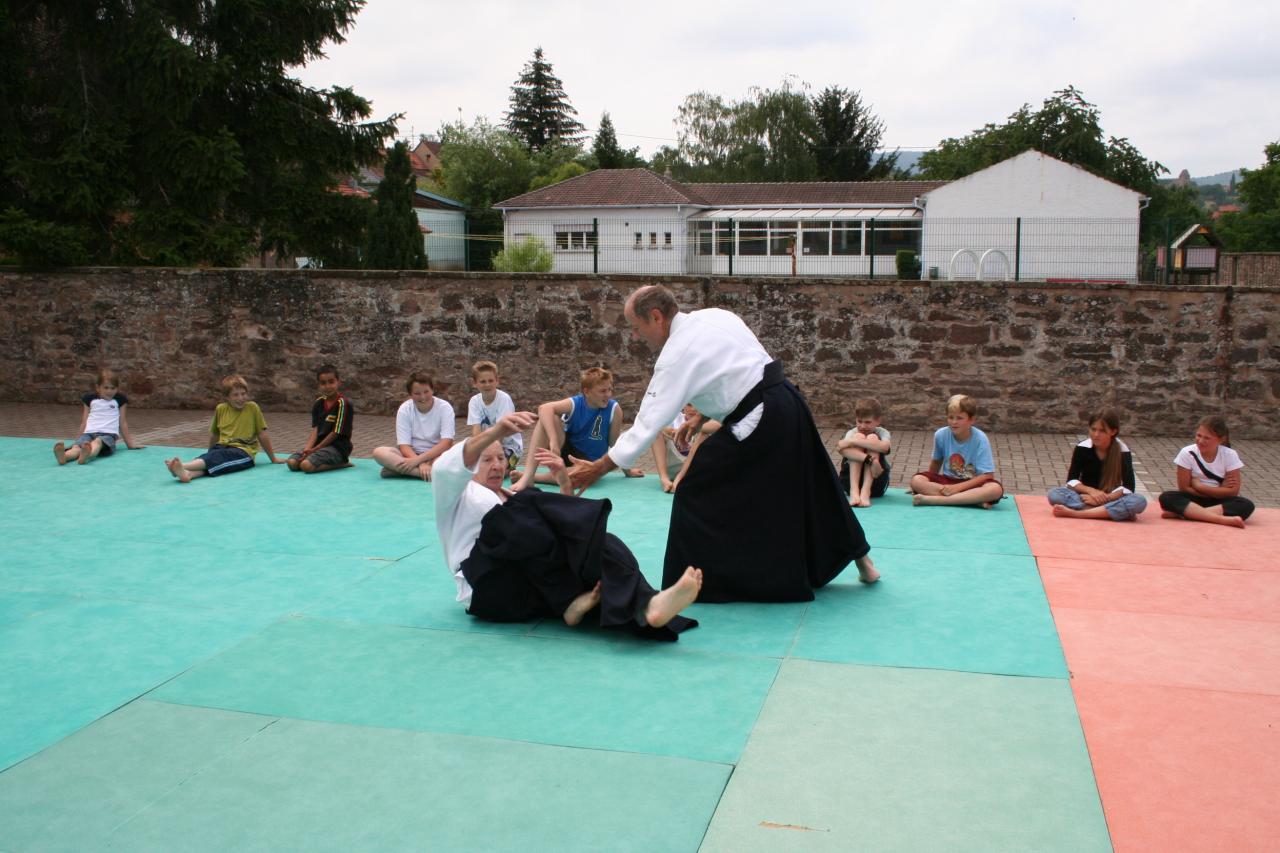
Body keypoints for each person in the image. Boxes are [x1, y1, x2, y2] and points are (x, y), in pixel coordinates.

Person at [567, 285, 879, 603]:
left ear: (656, 317)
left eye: (636, 327)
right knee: (815, 481)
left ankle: (693, 585)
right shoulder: (714, 316)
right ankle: (863, 561)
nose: (636, 336)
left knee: (695, 486)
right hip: (788, 401)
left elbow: (648, 423)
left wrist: (599, 467)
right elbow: (737, 370)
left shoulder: (675, 355)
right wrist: (700, 417)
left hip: (760, 419)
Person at [432, 410, 702, 641]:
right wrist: (497, 431)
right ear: (469, 465)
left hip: (525, 588)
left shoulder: (508, 497)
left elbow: (566, 530)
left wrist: (562, 480)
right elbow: (444, 469)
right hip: (486, 586)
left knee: (603, 544)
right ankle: (567, 600)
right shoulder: (457, 494)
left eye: (501, 458)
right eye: (486, 459)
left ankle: (647, 606)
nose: (496, 465)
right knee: (523, 508)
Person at [511, 366, 643, 491]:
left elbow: (615, 444)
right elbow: (544, 408)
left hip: (589, 462)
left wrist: (628, 470)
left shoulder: (614, 409)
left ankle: (533, 478)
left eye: (610, 389)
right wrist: (553, 441)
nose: (608, 394)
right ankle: (528, 475)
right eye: (603, 391)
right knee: (547, 419)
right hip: (566, 451)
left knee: (580, 476)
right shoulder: (576, 403)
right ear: (587, 392)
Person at [165, 374, 285, 482]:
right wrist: (209, 452)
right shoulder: (221, 409)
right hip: (221, 447)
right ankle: (189, 474)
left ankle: (182, 466)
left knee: (218, 458)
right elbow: (215, 435)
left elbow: (262, 434)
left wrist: (273, 458)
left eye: (243, 394)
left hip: (243, 452)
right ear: (227, 397)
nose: (240, 398)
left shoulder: (252, 408)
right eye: (235, 395)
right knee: (213, 458)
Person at [1046, 406, 1147, 521]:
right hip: (1085, 497)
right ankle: (1109, 512)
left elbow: (1129, 487)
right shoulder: (1082, 448)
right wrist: (1092, 492)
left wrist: (1106, 498)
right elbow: (1072, 480)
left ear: (1113, 431)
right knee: (1054, 494)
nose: (1096, 434)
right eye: (1093, 429)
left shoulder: (1122, 451)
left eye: (1102, 431)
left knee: (1139, 501)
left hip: (1111, 498)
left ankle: (1079, 513)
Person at [1157, 415, 1254, 528]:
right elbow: (1184, 488)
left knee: (1246, 505)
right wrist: (1220, 490)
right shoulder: (1187, 453)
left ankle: (1187, 514)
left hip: (1217, 500)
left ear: (1220, 439)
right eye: (1199, 435)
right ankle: (1220, 519)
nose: (1201, 441)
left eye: (1207, 438)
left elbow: (1233, 492)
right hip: (1194, 499)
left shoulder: (1230, 455)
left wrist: (1200, 487)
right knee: (1167, 497)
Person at [910, 394, 1004, 508]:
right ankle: (970, 500)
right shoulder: (941, 434)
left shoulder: (980, 438)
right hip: (947, 482)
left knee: (995, 489)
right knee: (917, 480)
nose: (954, 422)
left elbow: (987, 476)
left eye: (959, 418)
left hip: (972, 484)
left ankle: (937, 500)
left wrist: (957, 488)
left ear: (971, 420)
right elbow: (936, 462)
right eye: (951, 417)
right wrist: (923, 483)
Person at [372, 372, 455, 480]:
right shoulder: (405, 409)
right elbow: (404, 446)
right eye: (417, 393)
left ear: (432, 390)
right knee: (379, 452)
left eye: (426, 391)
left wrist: (418, 461)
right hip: (410, 456)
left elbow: (446, 443)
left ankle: (399, 471)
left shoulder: (445, 407)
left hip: (436, 454)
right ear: (410, 394)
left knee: (453, 456)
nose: (423, 397)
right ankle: (425, 473)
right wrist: (419, 463)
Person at [53, 368, 143, 464]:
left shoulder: (120, 400)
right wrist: (77, 441)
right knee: (77, 447)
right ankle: (64, 457)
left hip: (108, 434)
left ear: (117, 388)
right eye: (106, 388)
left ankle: (87, 455)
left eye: (113, 388)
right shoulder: (90, 399)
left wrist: (130, 444)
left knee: (97, 442)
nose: (109, 391)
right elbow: (84, 421)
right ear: (98, 387)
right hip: (89, 433)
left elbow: (123, 422)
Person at [287, 364, 355, 474]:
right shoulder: (318, 403)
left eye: (331, 382)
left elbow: (335, 433)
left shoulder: (343, 403)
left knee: (306, 466)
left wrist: (315, 449)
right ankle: (314, 458)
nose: (327, 386)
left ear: (338, 382)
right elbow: (316, 429)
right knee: (292, 463)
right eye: (323, 383)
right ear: (318, 385)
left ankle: (341, 463)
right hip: (318, 447)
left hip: (337, 448)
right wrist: (307, 450)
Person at [466, 360, 522, 479]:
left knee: (494, 471)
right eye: (483, 381)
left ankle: (510, 469)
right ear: (475, 383)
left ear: (497, 381)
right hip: (486, 445)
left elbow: (501, 432)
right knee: (470, 467)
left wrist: (490, 456)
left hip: (508, 446)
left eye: (491, 380)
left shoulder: (504, 399)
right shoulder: (474, 402)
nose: (487, 384)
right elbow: (476, 432)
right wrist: (479, 453)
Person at [651, 403, 718, 493]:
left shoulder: (708, 420)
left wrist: (696, 428)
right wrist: (670, 431)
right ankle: (664, 478)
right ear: (683, 405)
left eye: (698, 405)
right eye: (689, 405)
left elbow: (720, 424)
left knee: (704, 433)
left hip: (694, 472)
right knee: (655, 432)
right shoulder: (674, 418)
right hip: (672, 468)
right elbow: (652, 423)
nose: (693, 409)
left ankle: (680, 477)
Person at [837, 398, 891, 507]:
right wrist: (870, 460)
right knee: (859, 435)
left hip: (876, 484)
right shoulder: (853, 432)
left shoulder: (883, 432)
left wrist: (852, 441)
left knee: (872, 437)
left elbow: (885, 448)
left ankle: (865, 492)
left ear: (878, 421)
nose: (862, 426)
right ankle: (854, 492)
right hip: (849, 482)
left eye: (867, 422)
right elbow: (841, 449)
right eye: (859, 421)